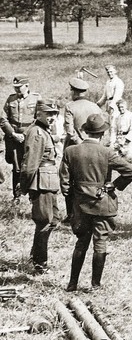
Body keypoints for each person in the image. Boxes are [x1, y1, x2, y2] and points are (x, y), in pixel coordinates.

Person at [60, 114, 132, 291]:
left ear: (85, 131)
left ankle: (72, 284)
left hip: (80, 205)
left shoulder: (71, 151)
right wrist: (114, 185)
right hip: (102, 203)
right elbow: (131, 172)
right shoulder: (107, 152)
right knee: (100, 242)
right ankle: (95, 285)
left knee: (81, 243)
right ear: (101, 134)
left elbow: (64, 184)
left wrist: (72, 201)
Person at [20, 99, 61, 274]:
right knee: (45, 222)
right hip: (41, 184)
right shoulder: (37, 132)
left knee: (53, 220)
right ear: (39, 114)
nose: (52, 117)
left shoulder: (44, 130)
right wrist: (24, 186)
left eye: (54, 114)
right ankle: (40, 264)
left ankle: (35, 255)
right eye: (48, 114)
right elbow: (30, 163)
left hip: (49, 182)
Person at [62, 78, 102, 222]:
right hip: (95, 147)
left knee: (70, 179)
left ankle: (71, 214)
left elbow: (70, 131)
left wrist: (80, 144)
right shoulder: (95, 107)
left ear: (74, 92)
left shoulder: (70, 107)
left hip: (75, 147)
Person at [0, 76, 40, 203]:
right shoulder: (11, 99)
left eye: (19, 87)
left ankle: (32, 195)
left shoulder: (36, 98)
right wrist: (12, 133)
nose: (17, 90)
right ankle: (16, 196)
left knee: (31, 165)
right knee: (17, 167)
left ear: (27, 86)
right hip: (14, 138)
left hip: (30, 137)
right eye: (15, 87)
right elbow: (3, 119)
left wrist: (26, 134)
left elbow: (38, 119)